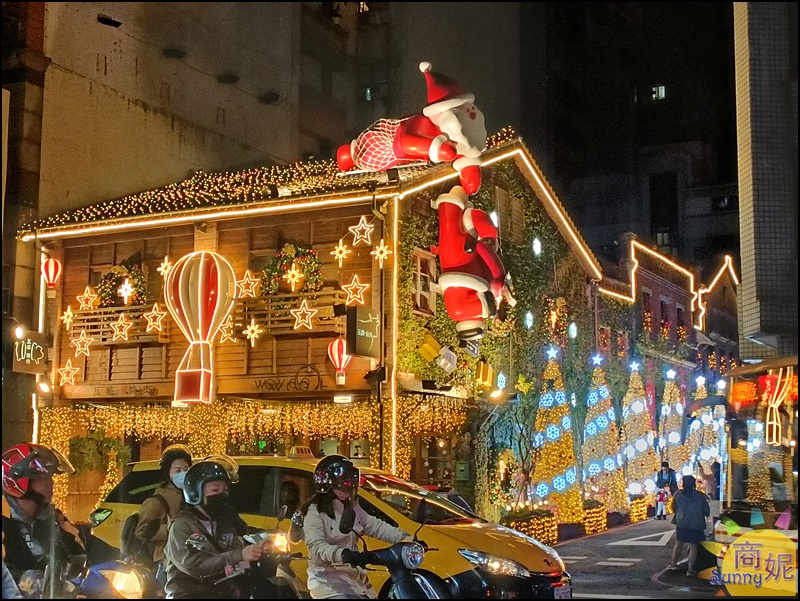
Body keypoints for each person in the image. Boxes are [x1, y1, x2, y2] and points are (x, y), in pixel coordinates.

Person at [303, 455, 411, 599]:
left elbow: (375, 526)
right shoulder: (315, 512)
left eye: (350, 479)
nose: (348, 484)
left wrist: (406, 539)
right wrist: (342, 554)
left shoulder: (352, 507)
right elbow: (316, 546)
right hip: (329, 585)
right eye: (343, 480)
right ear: (327, 481)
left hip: (357, 583)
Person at [163, 459, 268, 599]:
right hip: (189, 594)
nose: (221, 494)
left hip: (222, 592)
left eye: (224, 490)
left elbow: (236, 564)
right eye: (215, 489)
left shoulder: (224, 524)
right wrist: (240, 554)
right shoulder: (182, 526)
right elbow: (196, 567)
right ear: (195, 491)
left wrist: (256, 554)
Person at [1, 443, 85, 588]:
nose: (51, 483)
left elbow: (83, 547)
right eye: (43, 478)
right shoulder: (4, 518)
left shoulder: (52, 518)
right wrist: (28, 580)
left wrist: (121, 558)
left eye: (51, 477)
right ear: (18, 480)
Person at [133, 444, 192, 581]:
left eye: (186, 469)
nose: (182, 474)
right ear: (167, 473)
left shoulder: (192, 496)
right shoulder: (157, 500)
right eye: (177, 471)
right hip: (166, 561)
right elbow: (141, 531)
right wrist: (173, 530)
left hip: (189, 559)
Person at [667, 475, 710, 577]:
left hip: (682, 522)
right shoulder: (700, 496)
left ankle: (673, 564)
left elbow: (673, 508)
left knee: (679, 543)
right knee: (693, 545)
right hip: (696, 523)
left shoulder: (678, 494)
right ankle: (690, 570)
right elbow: (706, 511)